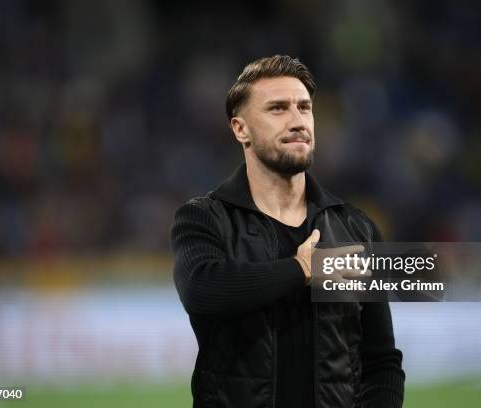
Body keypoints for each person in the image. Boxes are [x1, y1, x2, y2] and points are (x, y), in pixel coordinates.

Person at [170, 55, 405, 407]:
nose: (298, 121)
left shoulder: (356, 228)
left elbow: (382, 359)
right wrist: (302, 269)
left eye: (304, 108)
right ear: (240, 129)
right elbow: (203, 290)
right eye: (278, 109)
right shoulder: (204, 218)